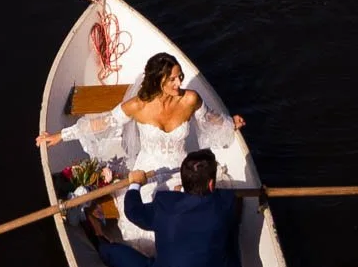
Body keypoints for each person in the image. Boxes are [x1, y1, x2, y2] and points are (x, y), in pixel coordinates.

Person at [35, 52, 245, 197]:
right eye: (172, 79)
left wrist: (229, 122)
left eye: (180, 77)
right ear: (158, 81)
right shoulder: (138, 106)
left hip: (182, 169)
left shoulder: (190, 99)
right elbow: (102, 123)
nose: (179, 83)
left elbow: (209, 119)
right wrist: (60, 135)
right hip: (147, 171)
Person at [85, 148, 242, 267]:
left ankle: (101, 244)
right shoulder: (227, 203)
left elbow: (133, 211)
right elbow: (218, 203)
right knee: (230, 237)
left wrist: (135, 184)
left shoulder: (165, 205)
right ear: (212, 184)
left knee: (116, 252)